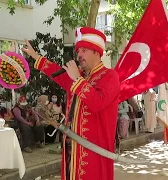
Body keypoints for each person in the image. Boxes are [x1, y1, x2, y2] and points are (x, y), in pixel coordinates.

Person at [22, 27, 120, 180]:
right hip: (71, 148)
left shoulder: (109, 76)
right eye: (78, 51)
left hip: (94, 151)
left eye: (84, 50)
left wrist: (77, 80)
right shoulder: (78, 76)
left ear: (96, 52)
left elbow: (97, 103)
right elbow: (55, 71)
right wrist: (35, 56)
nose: (79, 55)